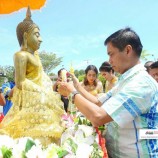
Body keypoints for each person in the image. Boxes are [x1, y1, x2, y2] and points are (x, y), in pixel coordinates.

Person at [58, 27, 158, 157]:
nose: (110, 61)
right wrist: (77, 86)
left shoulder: (141, 84)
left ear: (128, 50)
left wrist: (71, 92)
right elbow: (98, 102)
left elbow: (98, 117)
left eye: (111, 54)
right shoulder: (125, 81)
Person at [0, 7, 64, 146]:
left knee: (50, 133)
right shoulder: (20, 55)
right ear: (25, 36)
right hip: (30, 101)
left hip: (41, 100)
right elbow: (20, 82)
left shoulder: (35, 56)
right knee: (30, 137)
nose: (40, 39)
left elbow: (41, 77)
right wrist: (41, 92)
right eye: (36, 35)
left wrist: (29, 18)